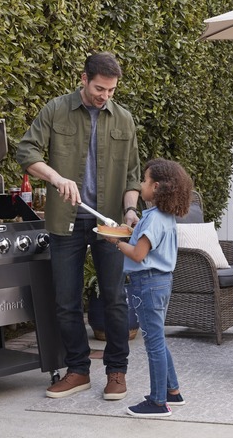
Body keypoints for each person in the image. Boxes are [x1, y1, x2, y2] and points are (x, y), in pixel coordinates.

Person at [16, 51, 141, 401]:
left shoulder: (124, 120)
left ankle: (116, 371)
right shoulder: (56, 110)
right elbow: (26, 152)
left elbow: (132, 174)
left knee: (115, 299)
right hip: (65, 221)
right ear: (83, 79)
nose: (105, 96)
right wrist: (56, 178)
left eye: (112, 91)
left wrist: (130, 211)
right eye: (100, 88)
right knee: (66, 300)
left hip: (109, 224)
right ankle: (78, 371)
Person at [104, 158, 192, 417]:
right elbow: (144, 244)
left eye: (144, 180)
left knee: (153, 343)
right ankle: (172, 392)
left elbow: (139, 254)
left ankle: (157, 402)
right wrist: (128, 231)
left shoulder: (154, 219)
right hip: (161, 282)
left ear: (157, 187)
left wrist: (114, 241)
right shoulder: (162, 216)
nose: (141, 184)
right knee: (157, 339)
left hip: (147, 284)